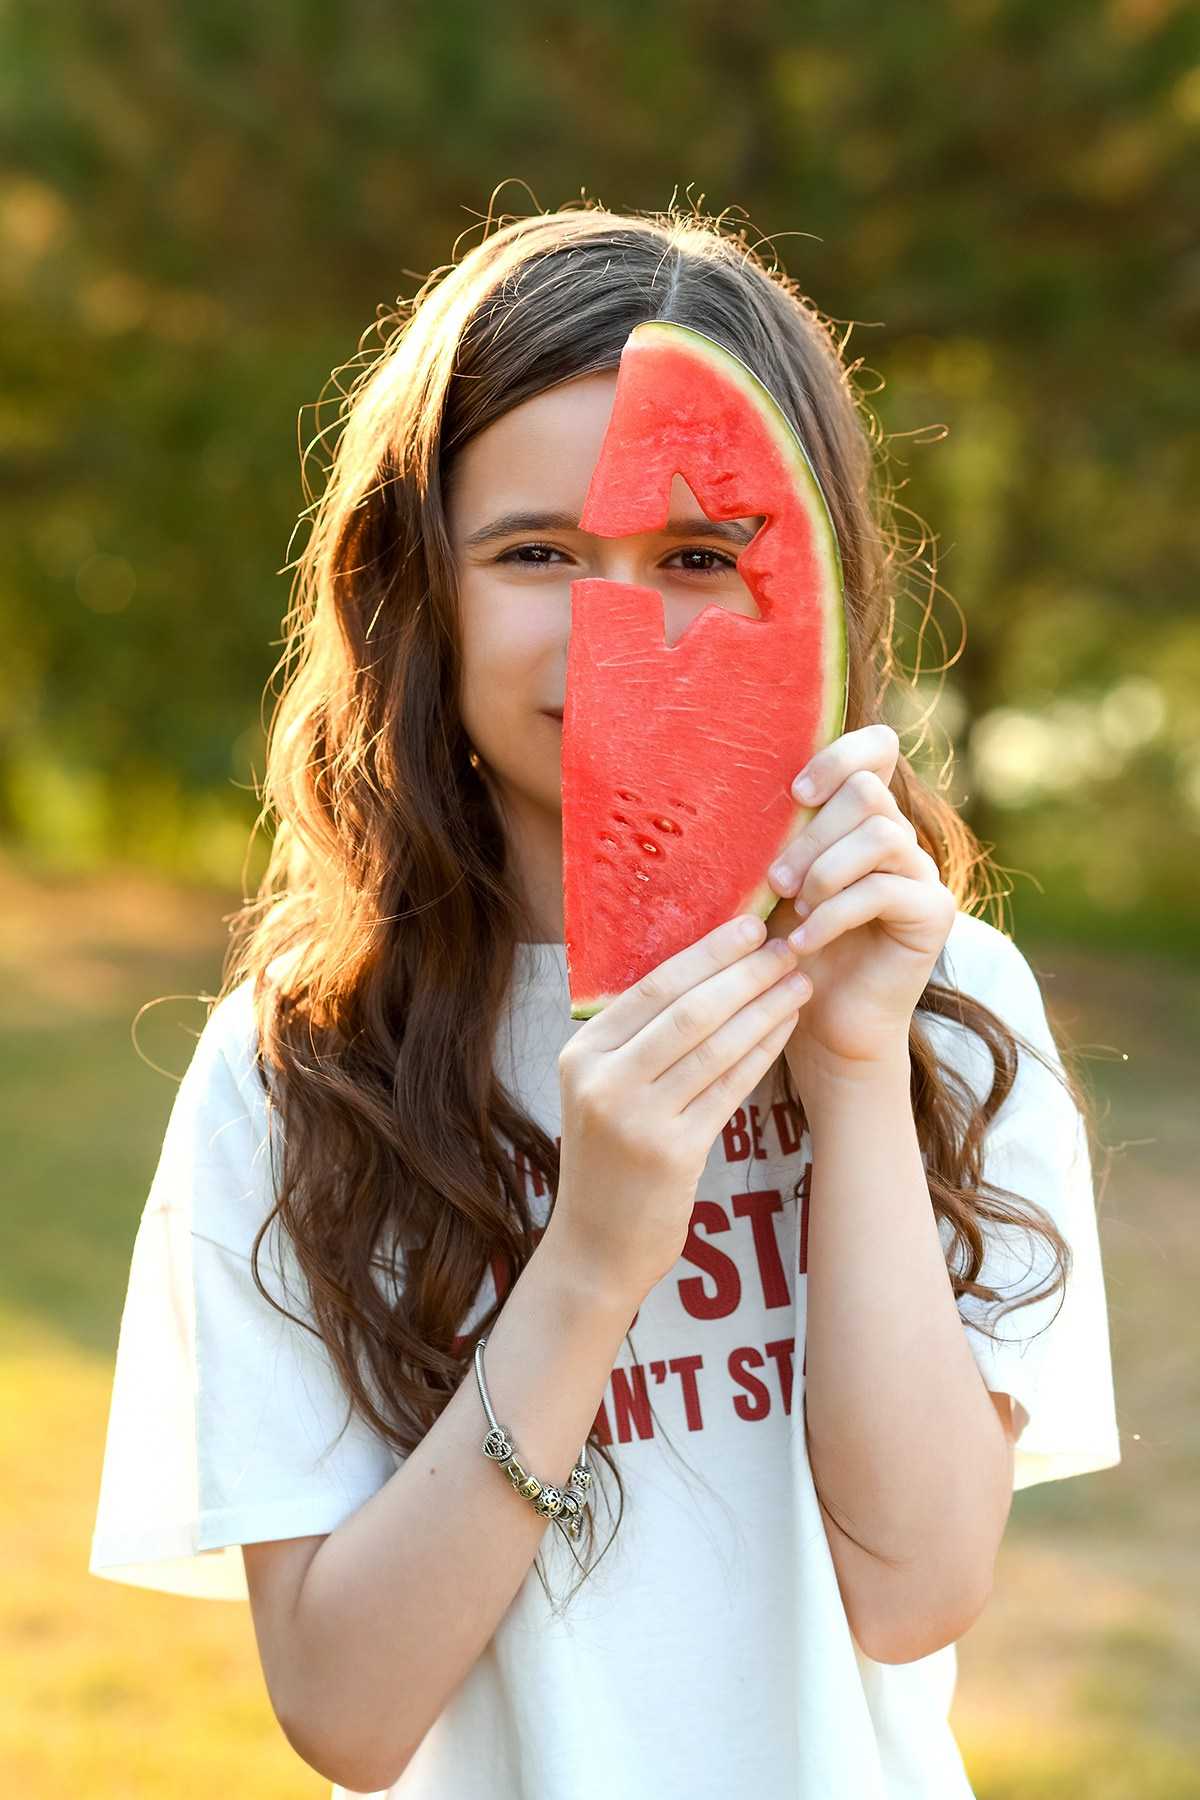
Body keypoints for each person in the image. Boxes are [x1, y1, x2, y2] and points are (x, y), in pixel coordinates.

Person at [89, 205, 1121, 1800]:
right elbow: (347, 1718)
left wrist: (849, 1076)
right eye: (538, 554)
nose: (619, 624)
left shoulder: (945, 1000)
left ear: (816, 589)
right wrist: (591, 1259)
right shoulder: (298, 1069)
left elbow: (917, 1594)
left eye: (697, 556)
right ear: (414, 586)